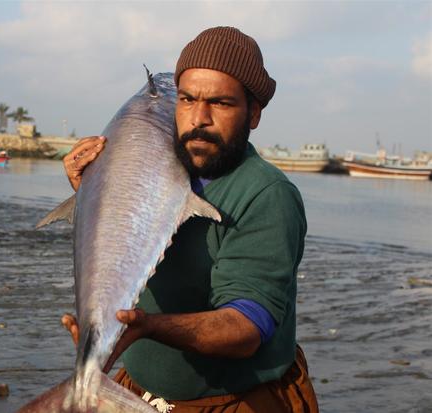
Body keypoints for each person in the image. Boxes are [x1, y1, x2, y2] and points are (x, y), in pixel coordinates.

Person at [61, 26, 318, 413]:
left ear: (254, 114)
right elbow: (129, 239)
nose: (199, 118)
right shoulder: (164, 166)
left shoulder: (266, 194)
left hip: (233, 403)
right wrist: (94, 192)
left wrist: (147, 328)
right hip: (139, 392)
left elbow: (246, 328)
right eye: (186, 99)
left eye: (221, 103)